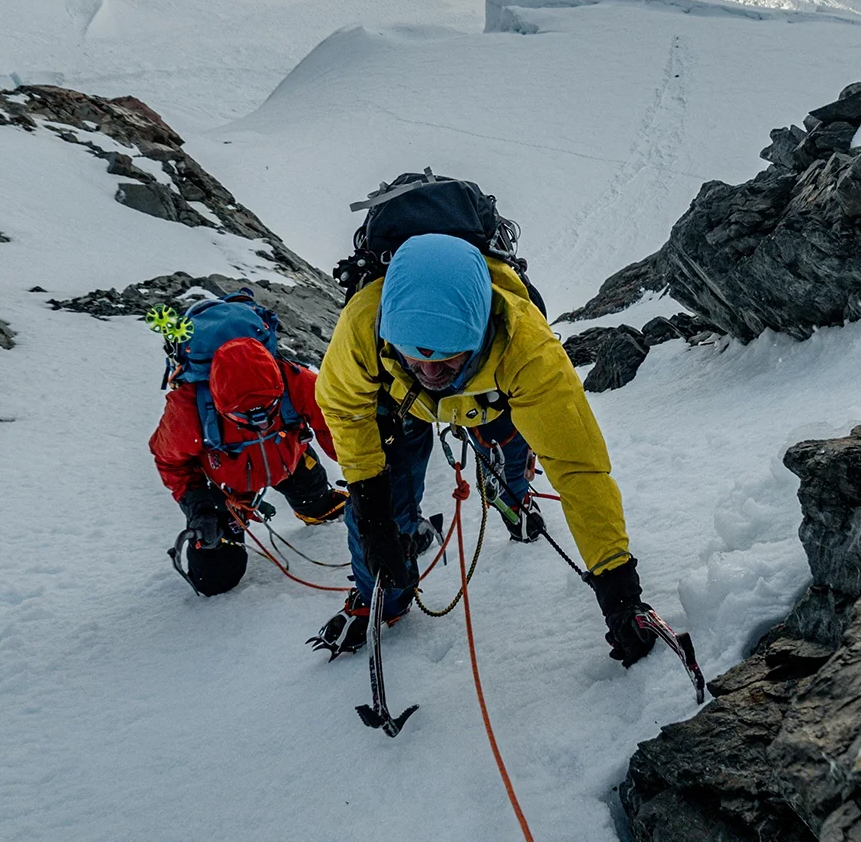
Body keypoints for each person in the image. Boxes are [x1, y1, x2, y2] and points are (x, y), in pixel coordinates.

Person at [310, 232, 660, 662]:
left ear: (480, 333)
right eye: (415, 357)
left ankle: (512, 495)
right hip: (400, 405)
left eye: (446, 358)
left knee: (509, 453)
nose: (430, 372)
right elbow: (345, 409)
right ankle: (379, 596)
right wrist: (371, 509)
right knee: (384, 511)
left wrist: (618, 588)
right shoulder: (364, 324)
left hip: (489, 395)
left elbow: (578, 468)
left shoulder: (527, 347)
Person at [150, 332, 343, 596]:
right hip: (228, 487)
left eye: (269, 407)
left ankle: (317, 502)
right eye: (244, 414)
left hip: (290, 457)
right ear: (218, 402)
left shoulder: (298, 381)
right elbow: (170, 461)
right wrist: (200, 509)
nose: (261, 423)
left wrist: (365, 473)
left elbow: (337, 428)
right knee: (214, 580)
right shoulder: (188, 410)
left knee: (322, 509)